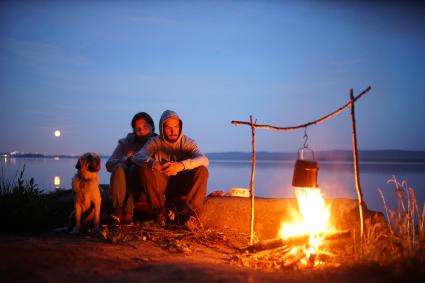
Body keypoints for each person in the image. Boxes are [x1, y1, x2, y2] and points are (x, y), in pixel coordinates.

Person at [132, 110, 209, 226]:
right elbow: (138, 156)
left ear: (180, 127)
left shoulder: (187, 142)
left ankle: (193, 217)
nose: (173, 131)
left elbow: (204, 160)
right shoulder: (155, 142)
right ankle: (159, 213)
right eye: (168, 127)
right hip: (162, 183)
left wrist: (181, 165)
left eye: (176, 127)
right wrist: (155, 164)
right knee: (144, 168)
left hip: (181, 182)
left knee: (202, 170)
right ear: (162, 128)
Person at [106, 112, 156, 224]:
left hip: (143, 189)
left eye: (144, 127)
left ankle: (128, 211)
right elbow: (109, 165)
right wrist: (125, 158)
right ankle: (117, 212)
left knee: (136, 168)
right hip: (121, 188)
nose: (140, 131)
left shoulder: (157, 142)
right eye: (137, 128)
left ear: (152, 127)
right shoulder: (126, 142)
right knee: (119, 167)